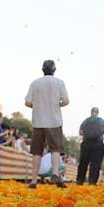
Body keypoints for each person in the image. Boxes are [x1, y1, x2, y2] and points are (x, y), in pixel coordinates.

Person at [24, 59, 69, 189]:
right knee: (55, 149)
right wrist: (57, 105)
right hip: (54, 121)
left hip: (38, 121)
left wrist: (37, 106)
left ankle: (33, 181)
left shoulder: (35, 83)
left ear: (42, 69)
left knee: (37, 151)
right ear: (54, 70)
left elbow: (27, 102)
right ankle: (55, 173)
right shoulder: (59, 83)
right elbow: (66, 101)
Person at [76, 106, 104, 185]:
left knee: (83, 163)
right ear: (98, 112)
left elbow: (80, 132)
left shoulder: (85, 121)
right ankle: (92, 181)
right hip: (98, 144)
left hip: (86, 144)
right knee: (95, 163)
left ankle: (80, 180)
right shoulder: (102, 121)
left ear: (91, 112)